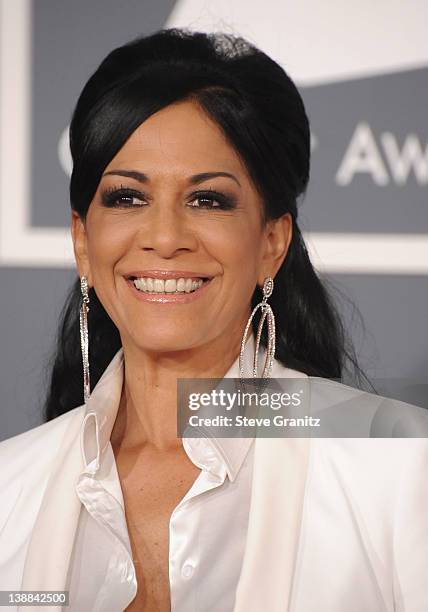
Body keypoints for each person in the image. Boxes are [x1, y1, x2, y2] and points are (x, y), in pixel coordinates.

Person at [0, 28, 427, 612]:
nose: (165, 238)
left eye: (208, 200)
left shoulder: (398, 466)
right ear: (82, 240)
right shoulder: (9, 486)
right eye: (128, 197)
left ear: (272, 242)